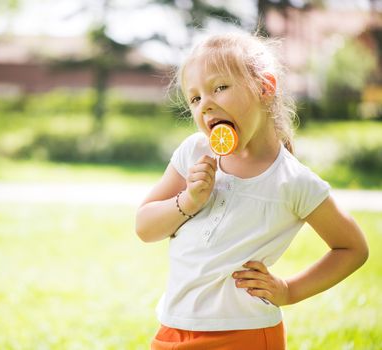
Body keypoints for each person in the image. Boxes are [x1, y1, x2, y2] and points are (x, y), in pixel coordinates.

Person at [135, 31, 369, 350]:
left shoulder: (292, 181)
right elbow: (145, 227)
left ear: (264, 87)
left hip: (244, 334)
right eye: (195, 98)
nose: (206, 105)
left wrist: (289, 290)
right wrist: (188, 200)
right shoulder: (194, 152)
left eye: (220, 87)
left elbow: (352, 248)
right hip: (173, 327)